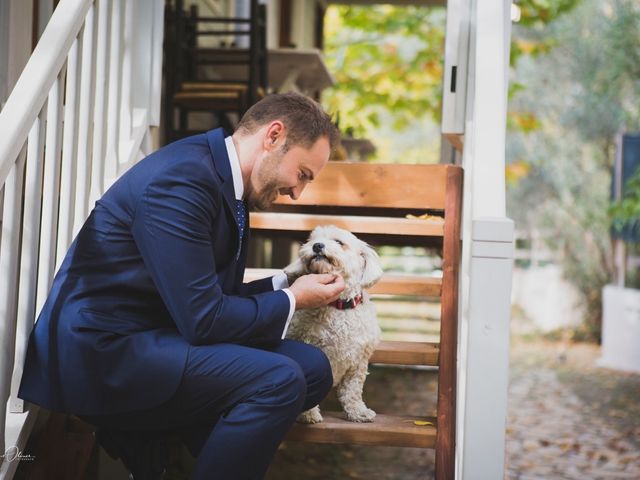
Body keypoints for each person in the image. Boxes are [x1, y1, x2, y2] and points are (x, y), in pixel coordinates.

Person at [18, 92, 345, 479]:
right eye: (302, 174)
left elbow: (211, 297)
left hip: (159, 331)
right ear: (273, 137)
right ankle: (147, 435)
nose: (297, 192)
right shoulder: (182, 181)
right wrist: (293, 298)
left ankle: (148, 436)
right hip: (103, 352)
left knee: (311, 367)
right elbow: (205, 320)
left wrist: (286, 282)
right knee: (279, 379)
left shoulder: (226, 180)